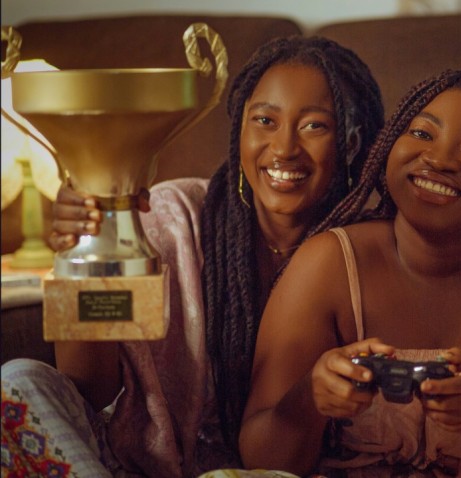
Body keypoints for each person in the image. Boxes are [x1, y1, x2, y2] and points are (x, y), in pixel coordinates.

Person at [1, 35, 384, 477]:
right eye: (264, 120)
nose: (283, 148)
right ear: (239, 129)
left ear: (352, 142)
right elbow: (90, 389)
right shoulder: (172, 220)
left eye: (314, 126)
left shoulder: (366, 252)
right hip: (136, 467)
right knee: (19, 380)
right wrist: (83, 256)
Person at [236, 69, 461, 476]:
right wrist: (310, 399)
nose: (439, 160)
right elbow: (261, 461)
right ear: (388, 144)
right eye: (422, 134)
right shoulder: (328, 263)